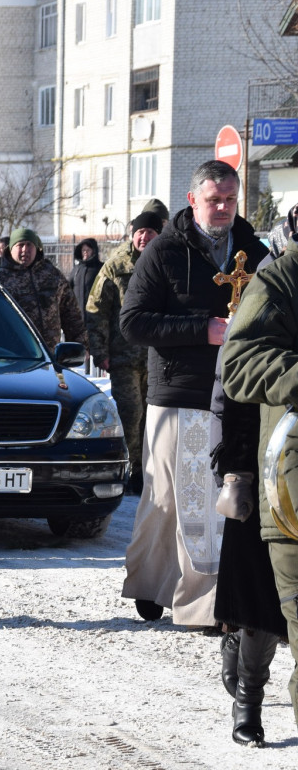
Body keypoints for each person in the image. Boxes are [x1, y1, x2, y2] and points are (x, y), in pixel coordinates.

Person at [120, 160, 268, 627]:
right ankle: (155, 582)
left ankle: (206, 602)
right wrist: (203, 329)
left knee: (210, 500)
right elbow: (133, 321)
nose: (222, 208)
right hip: (179, 393)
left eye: (229, 199)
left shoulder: (253, 250)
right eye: (213, 200)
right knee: (169, 499)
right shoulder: (164, 251)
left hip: (235, 393)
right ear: (192, 200)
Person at [223, 240, 298, 742]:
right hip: (283, 482)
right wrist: (234, 472)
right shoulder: (280, 281)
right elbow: (234, 369)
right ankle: (249, 697)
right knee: (260, 607)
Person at [207, 336, 285, 746]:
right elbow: (230, 393)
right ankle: (248, 703)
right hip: (262, 463)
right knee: (262, 594)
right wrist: (236, 474)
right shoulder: (272, 294)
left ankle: (238, 639)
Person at [85, 212, 162, 495]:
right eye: (139, 232)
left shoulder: (167, 262)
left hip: (158, 357)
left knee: (154, 417)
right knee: (131, 414)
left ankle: (148, 472)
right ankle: (130, 470)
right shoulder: (117, 266)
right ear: (132, 234)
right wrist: (99, 350)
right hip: (124, 357)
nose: (144, 237)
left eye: (150, 232)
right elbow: (97, 310)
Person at [0, 228, 86, 352]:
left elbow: (71, 314)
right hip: (15, 355)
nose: (25, 249)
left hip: (50, 356)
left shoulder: (52, 275)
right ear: (10, 249)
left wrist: (80, 345)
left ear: (37, 248)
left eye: (29, 245)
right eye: (20, 245)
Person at [70, 238, 102, 315]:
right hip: (78, 316)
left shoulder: (100, 269)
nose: (85, 252)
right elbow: (69, 290)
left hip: (96, 316)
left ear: (93, 251)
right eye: (83, 250)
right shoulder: (76, 270)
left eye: (88, 250)